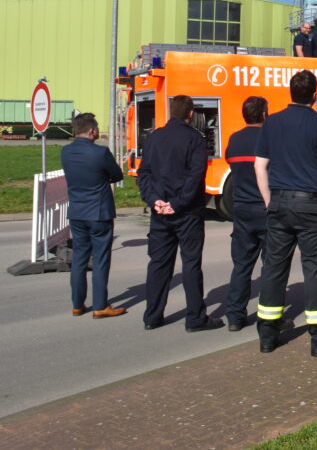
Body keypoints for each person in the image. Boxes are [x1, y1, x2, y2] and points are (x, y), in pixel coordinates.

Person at [255, 71, 317, 356]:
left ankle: (267, 336)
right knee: (315, 270)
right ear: (315, 95)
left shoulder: (272, 122)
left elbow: (260, 165)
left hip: (280, 203)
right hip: (313, 205)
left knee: (273, 269)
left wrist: (270, 200)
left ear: (290, 93)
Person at [137, 95, 221, 332]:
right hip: (188, 213)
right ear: (191, 114)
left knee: (158, 264)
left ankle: (152, 316)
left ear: (170, 112)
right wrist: (178, 202)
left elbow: (144, 174)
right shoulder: (195, 139)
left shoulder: (154, 138)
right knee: (191, 264)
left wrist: (155, 201)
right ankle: (195, 318)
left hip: (160, 212)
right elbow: (196, 176)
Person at [60, 113, 126, 319]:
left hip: (77, 211)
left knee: (79, 258)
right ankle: (100, 305)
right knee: (100, 259)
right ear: (91, 131)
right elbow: (117, 175)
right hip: (99, 212)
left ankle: (77, 304)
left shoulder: (66, 151)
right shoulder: (100, 152)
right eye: (96, 129)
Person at [224, 96, 268, 331]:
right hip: (265, 207)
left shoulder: (235, 139)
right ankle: (270, 316)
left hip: (241, 209)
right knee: (270, 266)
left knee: (242, 265)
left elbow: (230, 162)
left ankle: (235, 316)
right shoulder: (269, 138)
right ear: (263, 114)